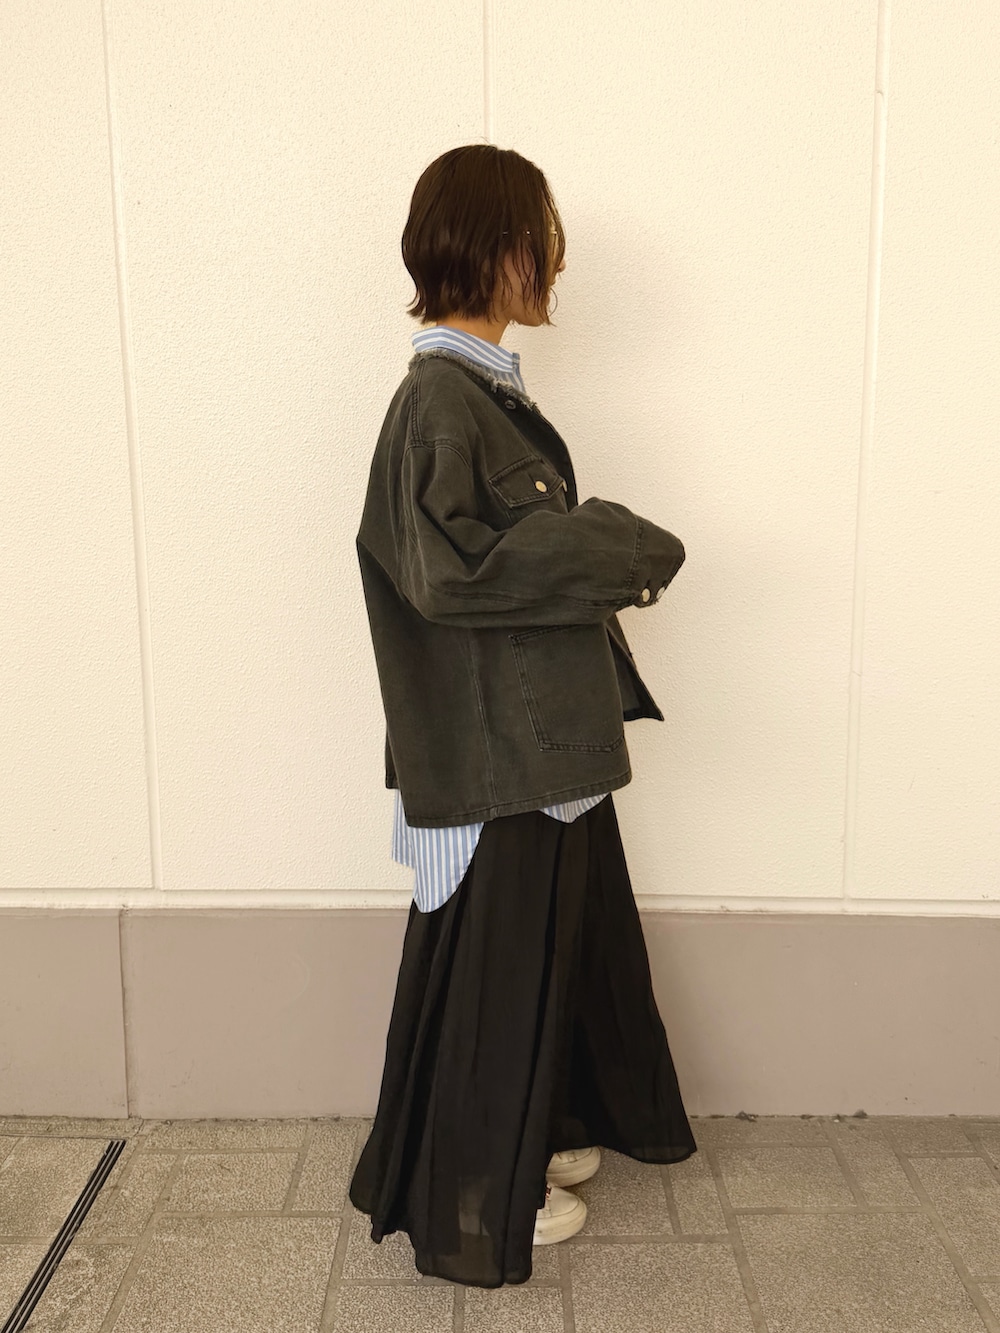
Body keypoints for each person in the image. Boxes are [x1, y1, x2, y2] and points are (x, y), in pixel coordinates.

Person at [349, 143, 697, 1289]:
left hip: (536, 739)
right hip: (500, 750)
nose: (557, 257)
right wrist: (612, 543)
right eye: (543, 235)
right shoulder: (439, 402)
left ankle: (532, 1131)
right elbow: (450, 575)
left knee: (546, 951)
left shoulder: (482, 393)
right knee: (495, 970)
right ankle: (469, 1190)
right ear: (497, 248)